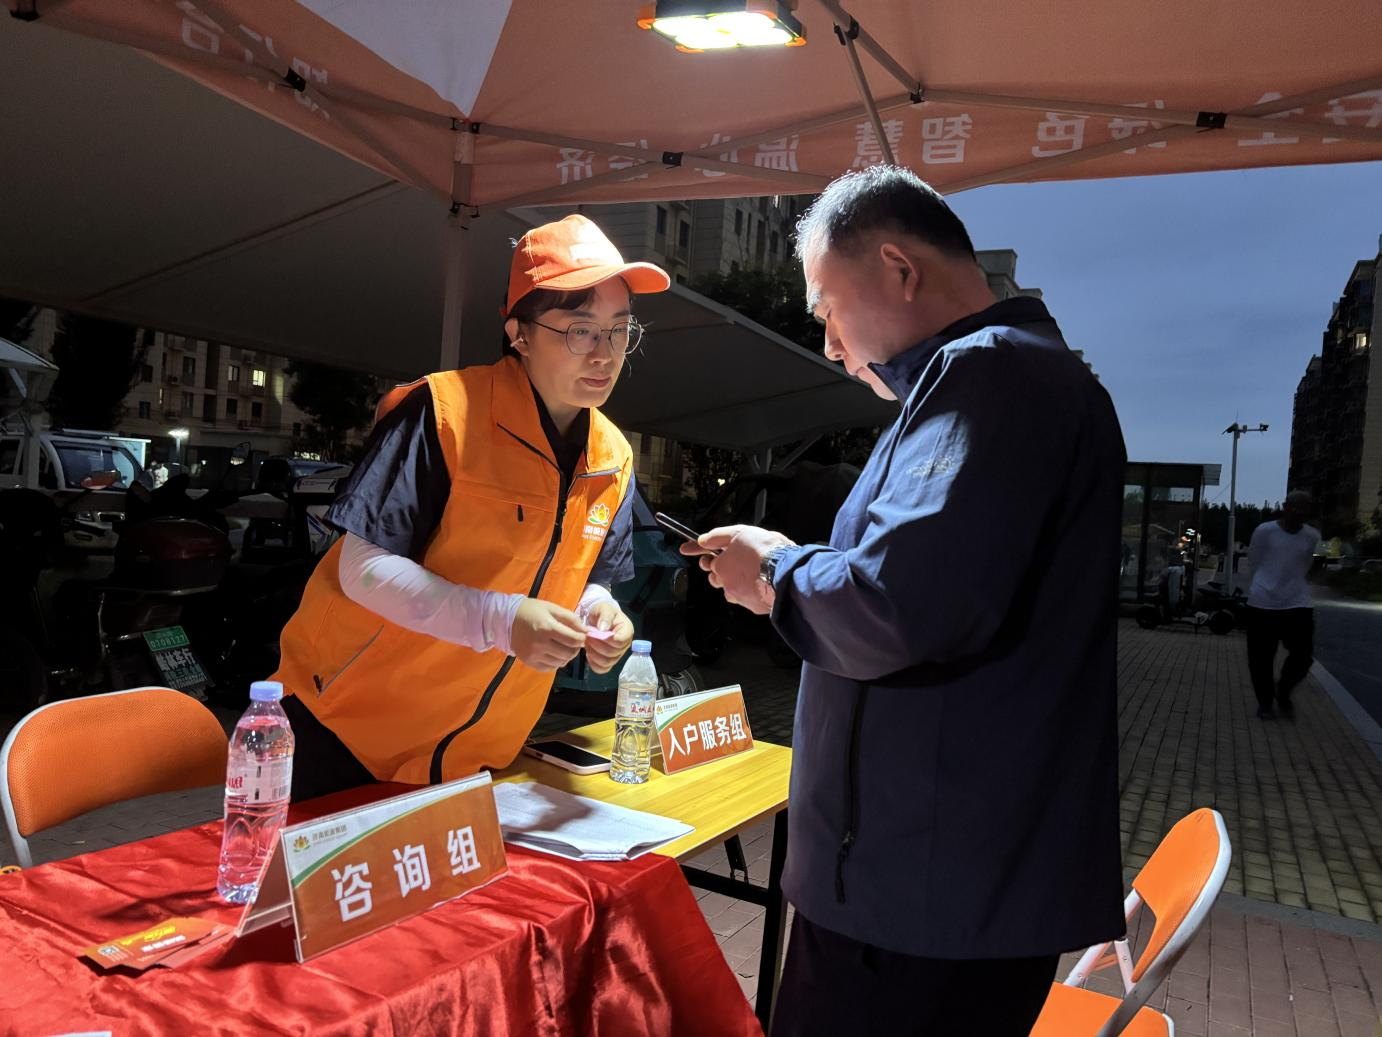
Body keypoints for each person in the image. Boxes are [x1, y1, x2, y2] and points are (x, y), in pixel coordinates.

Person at [685, 166, 1126, 1036]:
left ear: (898, 268)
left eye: (826, 308)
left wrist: (773, 570)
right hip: (942, 886)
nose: (830, 344)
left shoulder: (989, 378)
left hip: (919, 899)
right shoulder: (1012, 381)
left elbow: (895, 605)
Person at [271, 214, 670, 801]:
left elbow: (583, 577)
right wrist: (503, 621)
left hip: (476, 751)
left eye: (618, 331)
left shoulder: (612, 454)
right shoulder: (443, 412)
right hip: (341, 728)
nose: (604, 354)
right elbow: (364, 569)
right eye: (580, 330)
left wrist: (600, 614)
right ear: (519, 333)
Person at [1245, 491, 1320, 720]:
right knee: (1261, 659)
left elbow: (1308, 565)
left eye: (1304, 507)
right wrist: (1262, 585)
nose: (1299, 511)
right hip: (1263, 603)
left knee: (1303, 655)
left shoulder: (1311, 536)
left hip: (1297, 602)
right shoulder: (1265, 531)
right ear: (1285, 507)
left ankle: (1284, 689)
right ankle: (1265, 703)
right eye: (1295, 506)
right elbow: (1254, 561)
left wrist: (1294, 584)